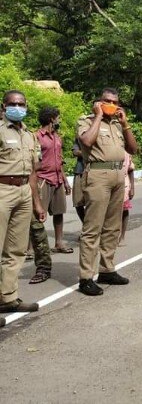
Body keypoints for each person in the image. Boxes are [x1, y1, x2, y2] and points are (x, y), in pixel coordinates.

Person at [76, 88, 138, 296]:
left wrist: (125, 123)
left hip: (117, 175)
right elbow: (86, 141)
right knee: (93, 227)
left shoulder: (118, 125)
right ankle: (86, 277)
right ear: (98, 102)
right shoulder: (86, 121)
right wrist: (99, 115)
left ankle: (107, 269)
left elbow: (133, 149)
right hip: (97, 174)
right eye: (106, 101)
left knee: (113, 226)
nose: (111, 104)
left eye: (114, 102)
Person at [0, 90, 44, 314]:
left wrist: (36, 203)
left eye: (21, 104)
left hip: (24, 190)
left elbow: (34, 171)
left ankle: (8, 298)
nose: (18, 107)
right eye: (13, 104)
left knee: (16, 249)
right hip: (2, 189)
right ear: (4, 106)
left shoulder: (29, 135)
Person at [28, 107, 71, 284]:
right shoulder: (36, 136)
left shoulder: (57, 138)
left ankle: (59, 242)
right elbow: (33, 161)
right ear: (51, 119)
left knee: (59, 212)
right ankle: (30, 249)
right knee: (37, 216)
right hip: (42, 179)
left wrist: (66, 180)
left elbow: (59, 159)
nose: (59, 120)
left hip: (57, 178)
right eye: (58, 117)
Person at [118, 152, 135, 246]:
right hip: (109, 184)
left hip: (124, 183)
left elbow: (130, 169)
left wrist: (132, 188)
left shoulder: (125, 152)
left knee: (124, 210)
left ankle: (122, 236)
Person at [71, 138, 85, 222]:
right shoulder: (80, 136)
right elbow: (75, 152)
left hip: (96, 172)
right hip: (80, 171)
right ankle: (86, 226)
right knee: (78, 202)